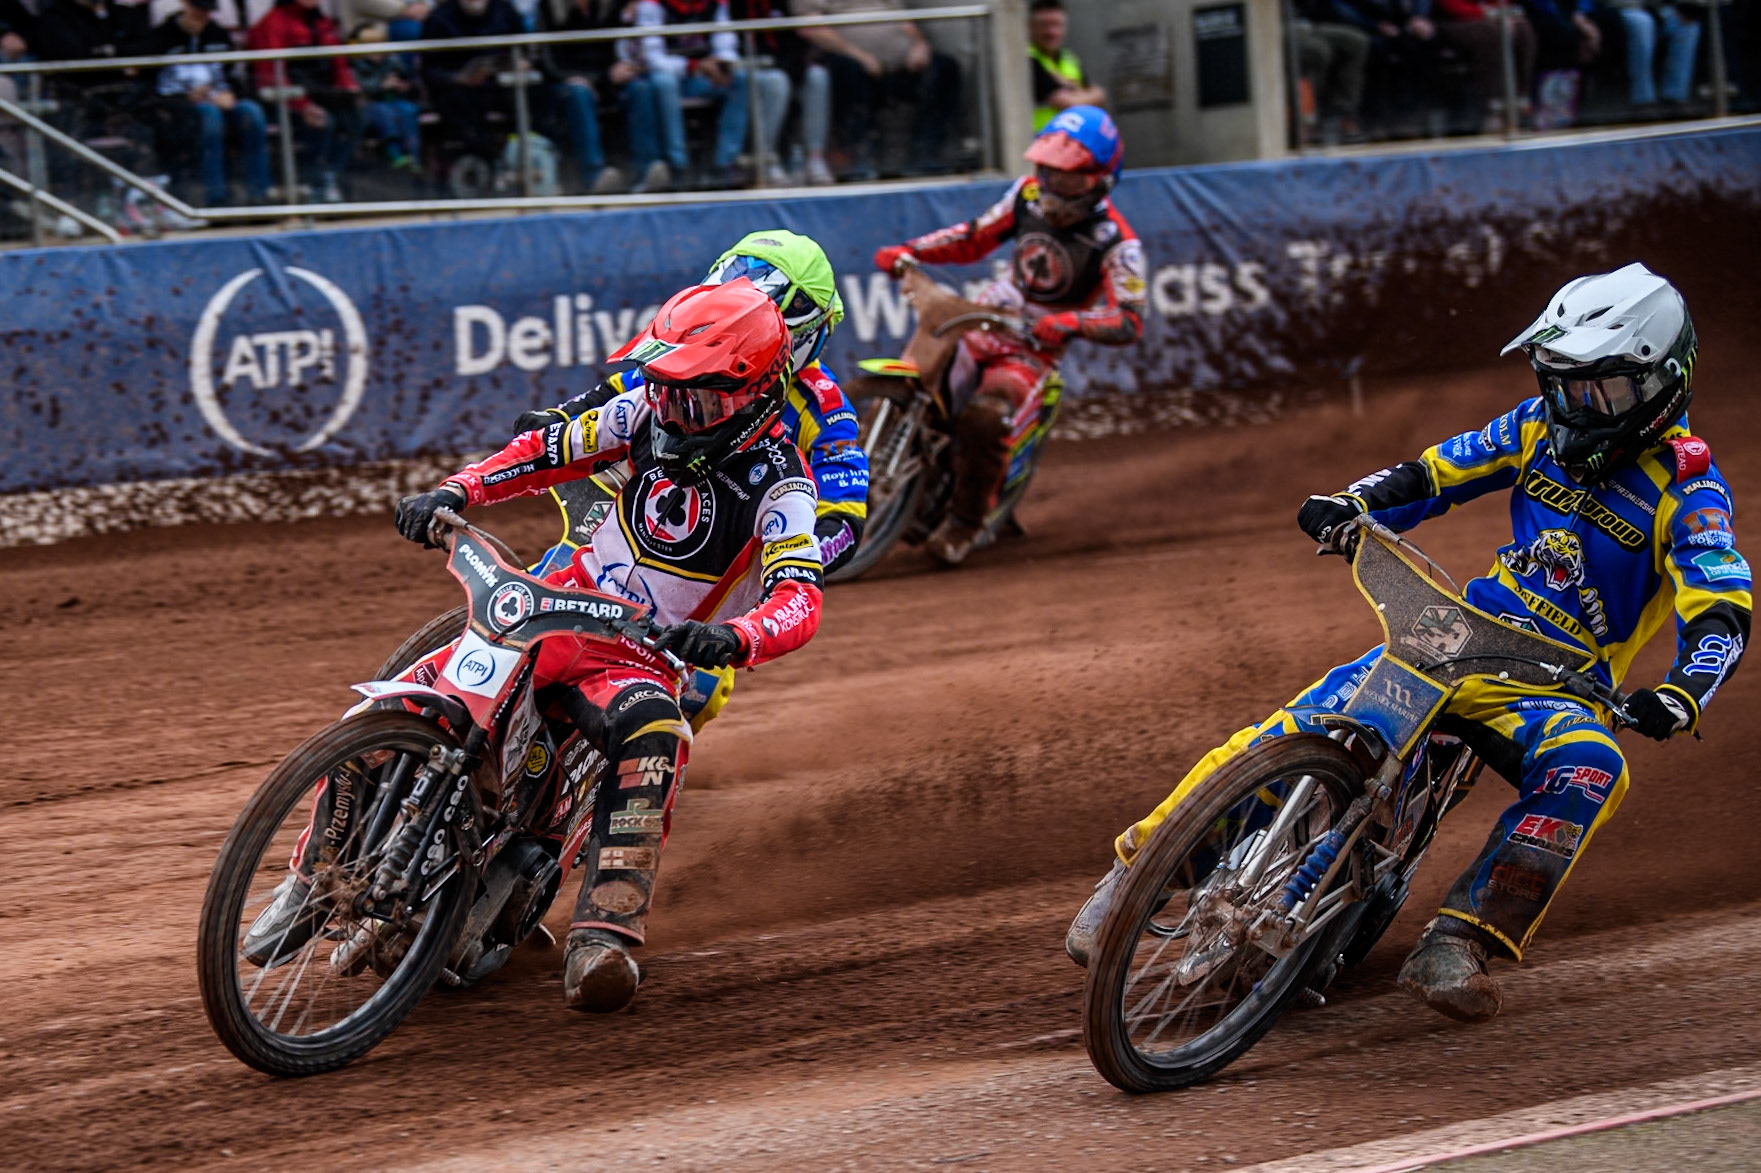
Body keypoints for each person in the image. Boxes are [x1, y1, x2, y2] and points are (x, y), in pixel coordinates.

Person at [1067, 263, 1750, 1024]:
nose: (1574, 406)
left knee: (1593, 769)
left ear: (1661, 385)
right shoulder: (1534, 426)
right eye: (1563, 385)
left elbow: (1722, 610)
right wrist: (1350, 504)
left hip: (1554, 687)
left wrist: (1681, 694)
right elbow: (1431, 474)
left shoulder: (1689, 492)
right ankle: (1137, 878)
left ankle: (1460, 939)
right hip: (1450, 634)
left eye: (1600, 389)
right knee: (1297, 727)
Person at [249, 279, 827, 1013]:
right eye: (665, 389)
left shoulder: (782, 486)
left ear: (753, 393)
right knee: (396, 704)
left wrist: (735, 634)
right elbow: (545, 450)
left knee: (655, 732)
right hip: (559, 609)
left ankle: (602, 938)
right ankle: (312, 877)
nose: (674, 412)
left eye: (697, 400)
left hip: (641, 654)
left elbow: (799, 596)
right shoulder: (641, 414)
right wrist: (458, 491)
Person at [871, 105, 1145, 567]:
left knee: (985, 417)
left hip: (1033, 348)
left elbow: (1129, 319)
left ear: (1100, 181)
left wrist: (1068, 322)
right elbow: (973, 237)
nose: (1052, 185)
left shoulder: (1118, 242)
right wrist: (910, 251)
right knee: (917, 382)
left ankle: (964, 524)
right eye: (1048, 171)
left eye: (1067, 178)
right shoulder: (1026, 195)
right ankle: (897, 484)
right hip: (985, 319)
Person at [513, 229, 869, 578]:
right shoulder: (696, 362)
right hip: (648, 507)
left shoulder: (825, 408)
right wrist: (557, 418)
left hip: (726, 559)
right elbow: (620, 390)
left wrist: (794, 557)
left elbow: (844, 518)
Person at [789, 0, 960, 179]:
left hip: (900, 65)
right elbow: (811, 28)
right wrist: (859, 56)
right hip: (845, 60)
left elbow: (903, 18)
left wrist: (919, 45)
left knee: (945, 67)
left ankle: (926, 154)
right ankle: (859, 158)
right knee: (847, 70)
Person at [630, 0, 787, 187]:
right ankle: (677, 165)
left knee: (740, 79)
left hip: (704, 77)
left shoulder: (715, 3)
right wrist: (693, 66)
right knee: (664, 83)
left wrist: (722, 66)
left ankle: (726, 163)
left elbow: (726, 42)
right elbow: (653, 58)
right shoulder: (652, 5)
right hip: (672, 77)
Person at [144, 0, 270, 205]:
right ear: (185, 4)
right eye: (198, 8)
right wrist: (184, 97)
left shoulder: (218, 34)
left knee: (251, 112)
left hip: (220, 98)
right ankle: (216, 196)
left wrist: (231, 94)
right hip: (181, 105)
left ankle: (258, 193)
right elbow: (151, 83)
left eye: (207, 9)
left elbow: (233, 75)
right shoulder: (161, 36)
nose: (202, 14)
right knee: (210, 117)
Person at [248, 0, 362, 202]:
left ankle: (330, 176)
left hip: (322, 93)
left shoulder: (323, 22)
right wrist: (302, 106)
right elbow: (270, 73)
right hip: (285, 100)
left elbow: (339, 63)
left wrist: (348, 88)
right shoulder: (272, 23)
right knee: (324, 123)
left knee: (357, 117)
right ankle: (315, 187)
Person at [1433, 0, 1537, 131]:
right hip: (1455, 21)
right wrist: (1488, 15)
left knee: (1523, 29)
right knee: (1491, 33)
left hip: (1493, 17)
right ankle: (1490, 109)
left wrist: (1504, 15)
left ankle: (1521, 102)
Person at [1293, 0, 1374, 141]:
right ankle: (1309, 120)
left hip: (1307, 25)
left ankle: (1342, 114)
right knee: (1318, 51)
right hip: (1280, 26)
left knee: (1357, 42)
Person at [1606, 0, 1700, 111]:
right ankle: (1643, 98)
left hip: (1657, 8)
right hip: (1625, 8)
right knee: (1643, 23)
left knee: (1688, 25)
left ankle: (1675, 95)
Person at [1027, 0, 1104, 133]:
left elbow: (1099, 95)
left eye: (1056, 25)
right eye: (1044, 25)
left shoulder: (1069, 58)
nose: (1051, 32)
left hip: (1071, 138)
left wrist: (1073, 94)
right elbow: (1065, 102)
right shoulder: (1027, 59)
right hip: (1043, 139)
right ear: (1030, 27)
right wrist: (1078, 92)